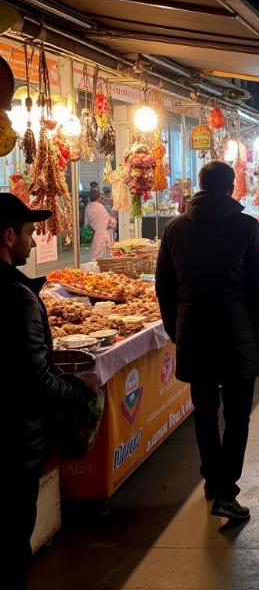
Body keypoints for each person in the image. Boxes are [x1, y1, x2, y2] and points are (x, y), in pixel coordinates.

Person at [155, 161, 259, 523]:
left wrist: (174, 328)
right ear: (232, 187)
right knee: (238, 412)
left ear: (200, 184)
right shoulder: (246, 227)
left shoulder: (175, 228)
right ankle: (226, 490)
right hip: (237, 333)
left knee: (205, 411)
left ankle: (213, 479)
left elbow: (164, 286)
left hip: (194, 332)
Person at [3, 193, 93, 588]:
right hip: (12, 443)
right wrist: (80, 392)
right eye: (28, 233)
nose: (34, 242)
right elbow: (34, 378)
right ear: (8, 237)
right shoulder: (16, 297)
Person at [84, 188, 113, 261]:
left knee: (96, 255)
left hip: (97, 234)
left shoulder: (88, 207)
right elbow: (109, 221)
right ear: (99, 198)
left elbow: (86, 223)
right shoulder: (101, 206)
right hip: (104, 233)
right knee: (104, 255)